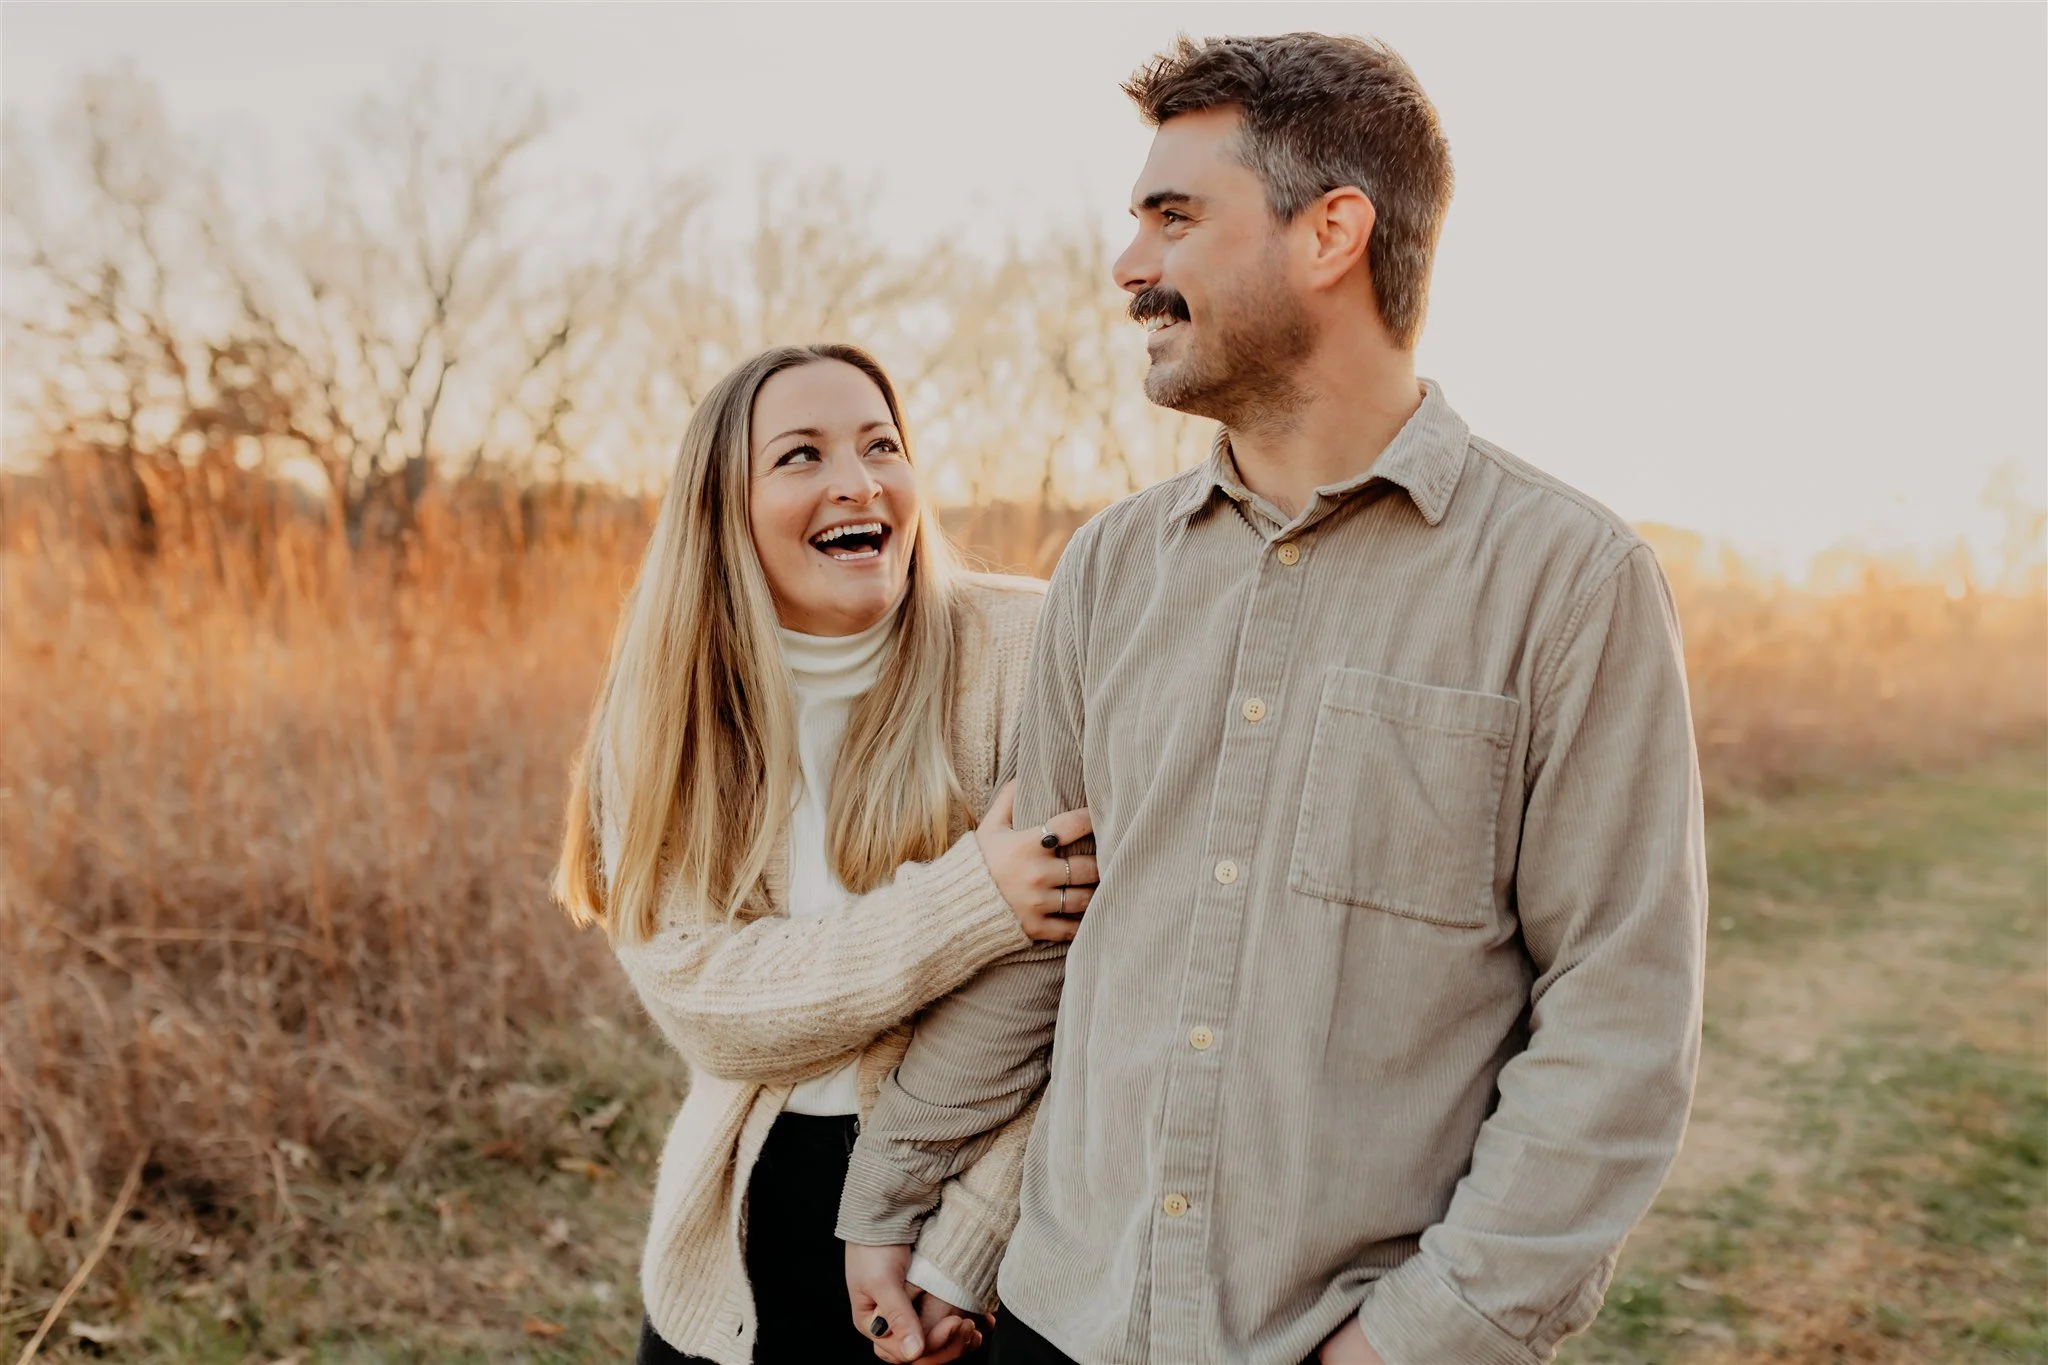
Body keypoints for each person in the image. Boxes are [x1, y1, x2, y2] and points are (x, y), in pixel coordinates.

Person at [839, 33, 1707, 1365]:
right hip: (1066, 1320)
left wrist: (1430, 1335)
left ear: (1332, 233)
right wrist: (896, 1191)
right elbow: (1045, 931)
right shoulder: (1112, 569)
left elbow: (1618, 1019)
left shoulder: (1569, 582)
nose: (1130, 266)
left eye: (1175, 218)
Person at [553, 343, 1096, 1365]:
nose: (857, 481)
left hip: (978, 1216)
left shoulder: (1029, 648)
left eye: (881, 444)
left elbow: (1095, 1006)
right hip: (750, 1216)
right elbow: (707, 1002)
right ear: (724, 508)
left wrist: (964, 1244)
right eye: (799, 455)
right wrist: (973, 900)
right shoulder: (666, 706)